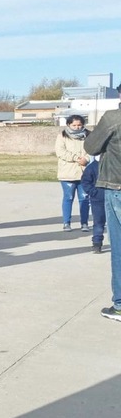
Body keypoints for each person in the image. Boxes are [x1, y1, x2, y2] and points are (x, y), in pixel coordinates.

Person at [84, 108, 121, 321]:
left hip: (117, 187)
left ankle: (119, 305)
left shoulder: (113, 118)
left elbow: (91, 146)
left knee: (119, 248)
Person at [56, 114, 91, 232]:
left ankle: (84, 223)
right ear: (69, 125)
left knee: (85, 198)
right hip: (67, 172)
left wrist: (86, 159)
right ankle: (67, 222)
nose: (77, 127)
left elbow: (93, 149)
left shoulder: (88, 135)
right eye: (74, 125)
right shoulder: (62, 136)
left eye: (79, 125)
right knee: (68, 197)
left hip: (85, 173)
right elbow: (60, 152)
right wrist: (76, 158)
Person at [81, 156, 106, 253]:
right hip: (97, 200)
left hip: (112, 198)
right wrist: (93, 192)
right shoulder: (91, 167)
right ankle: (97, 244)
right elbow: (85, 182)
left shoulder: (112, 165)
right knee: (99, 222)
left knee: (114, 223)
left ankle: (115, 243)